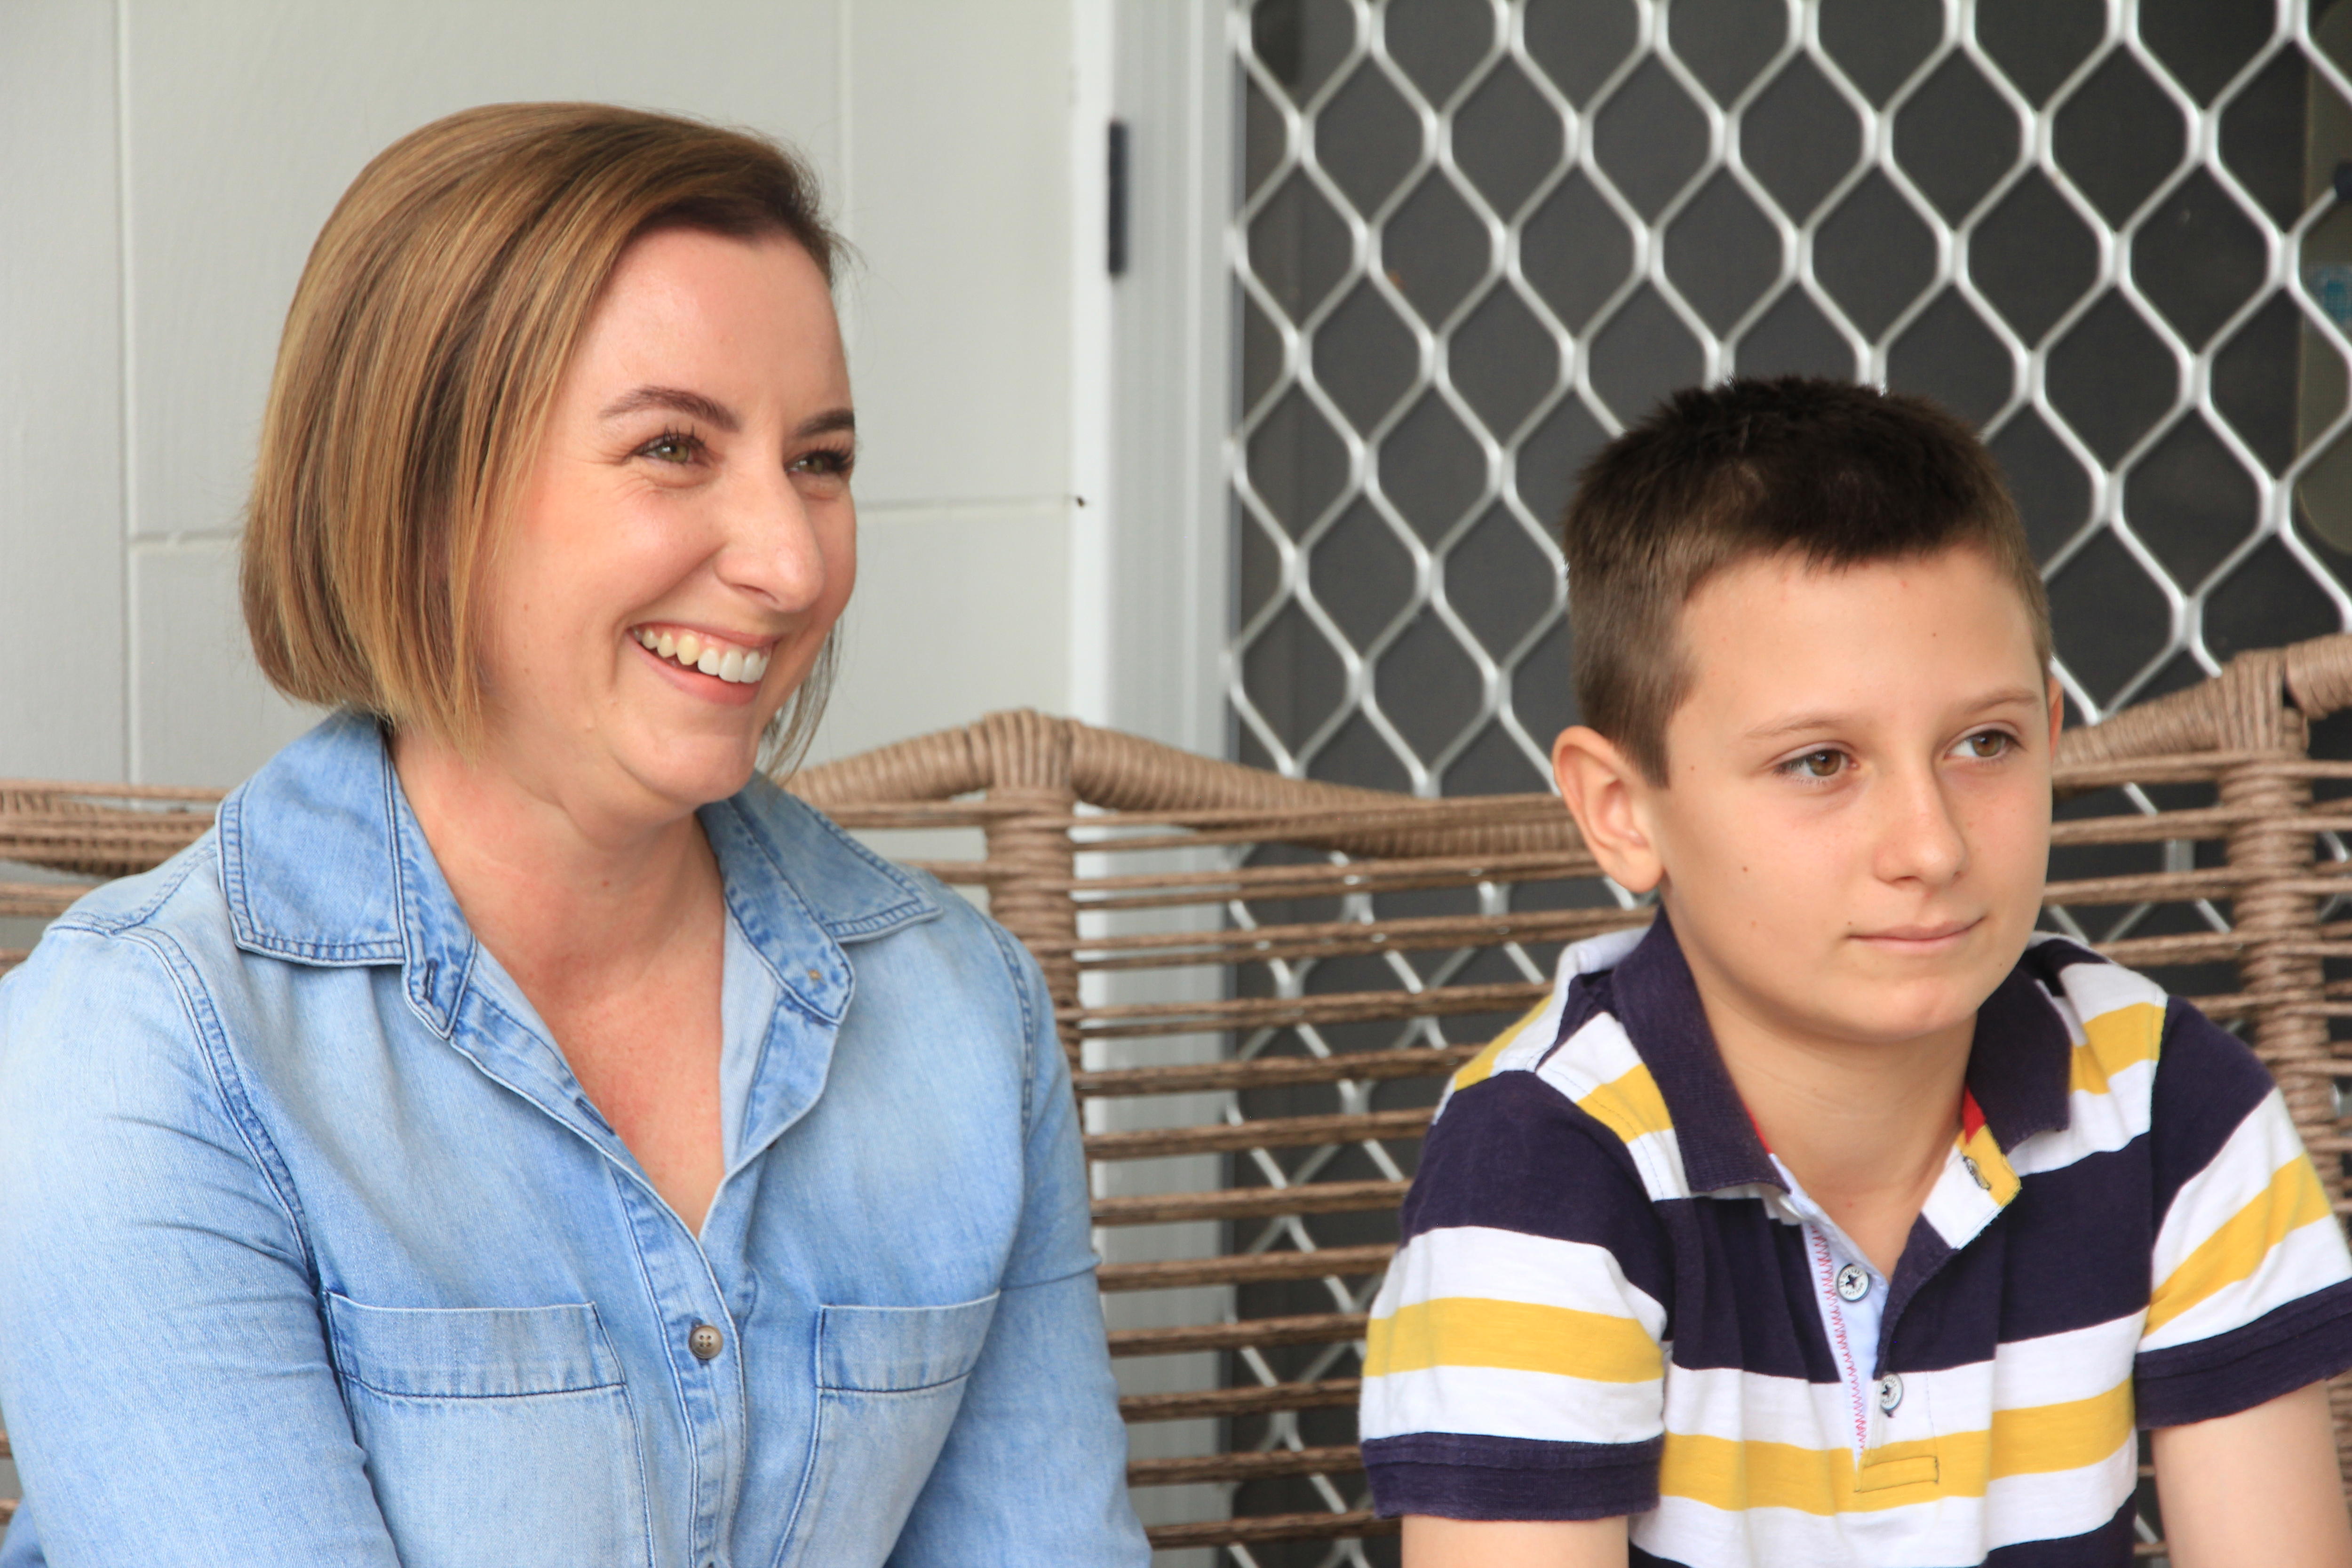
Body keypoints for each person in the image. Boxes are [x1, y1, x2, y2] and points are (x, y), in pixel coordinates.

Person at [0, 103, 1148, 1567]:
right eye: (675, 446)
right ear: (420, 498)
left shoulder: (961, 1012)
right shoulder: (143, 1047)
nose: (792, 561)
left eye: (821, 457)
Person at [1358, 377, 2352, 1568]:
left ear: (2048, 729)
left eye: (1983, 743)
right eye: (1820, 760)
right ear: (1623, 810)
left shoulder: (2168, 1104)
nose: (1929, 846)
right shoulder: (1544, 1165)